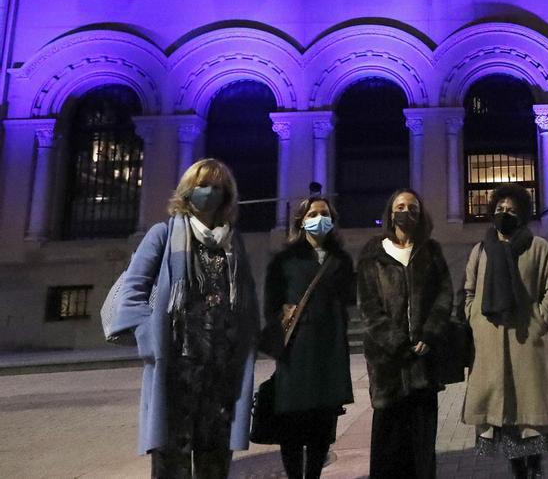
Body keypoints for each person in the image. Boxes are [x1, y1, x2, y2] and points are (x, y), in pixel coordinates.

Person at [107, 158, 260, 478]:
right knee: (171, 461)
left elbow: (245, 298)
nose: (211, 193)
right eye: (204, 185)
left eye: (219, 187)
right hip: (178, 368)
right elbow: (132, 291)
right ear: (188, 190)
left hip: (220, 370)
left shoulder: (233, 243)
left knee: (215, 460)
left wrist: (247, 343)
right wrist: (152, 339)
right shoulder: (163, 234)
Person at [462, 183, 548, 478]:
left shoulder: (539, 247)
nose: (504, 213)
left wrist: (540, 320)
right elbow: (468, 291)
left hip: (528, 345)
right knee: (504, 418)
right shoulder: (481, 250)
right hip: (491, 344)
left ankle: (534, 469)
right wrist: (475, 319)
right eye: (499, 209)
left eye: (511, 209)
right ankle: (518, 471)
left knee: (530, 418)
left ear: (522, 213)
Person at [357, 189, 452, 479]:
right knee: (389, 446)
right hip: (388, 367)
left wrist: (430, 333)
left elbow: (444, 297)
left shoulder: (431, 250)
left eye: (413, 207)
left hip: (424, 366)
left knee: (422, 448)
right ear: (390, 212)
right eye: (400, 206)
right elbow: (369, 307)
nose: (406, 212)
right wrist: (398, 344)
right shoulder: (373, 254)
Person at [263, 196, 355, 479]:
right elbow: (271, 306)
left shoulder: (341, 260)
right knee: (292, 426)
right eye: (313, 213)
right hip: (296, 353)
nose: (319, 218)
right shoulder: (285, 260)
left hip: (330, 351)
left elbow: (349, 299)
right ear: (301, 221)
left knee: (321, 427)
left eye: (324, 213)